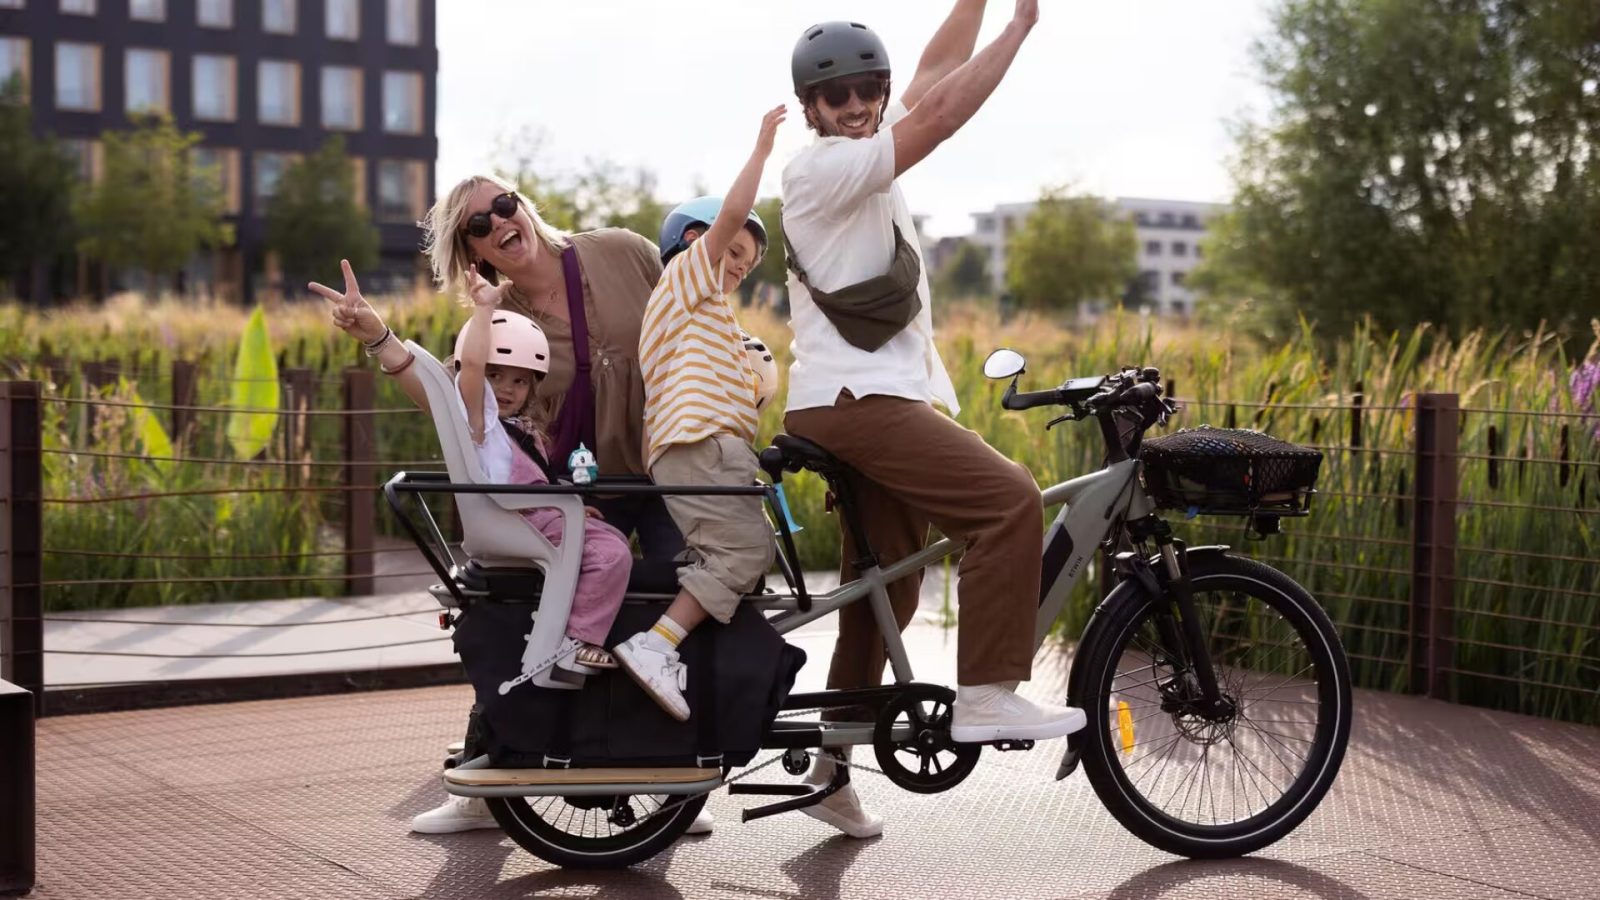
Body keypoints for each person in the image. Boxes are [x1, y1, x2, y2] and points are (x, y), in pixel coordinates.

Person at [779, 0, 1083, 839]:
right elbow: (943, 113)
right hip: (860, 402)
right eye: (835, 97)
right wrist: (1021, 28)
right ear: (810, 108)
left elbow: (929, 82)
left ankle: (830, 771)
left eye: (866, 91)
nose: (857, 106)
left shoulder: (865, 155)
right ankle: (985, 694)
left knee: (887, 595)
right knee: (1008, 501)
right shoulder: (820, 172)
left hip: (869, 401)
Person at [311, 261, 716, 837]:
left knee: (610, 545)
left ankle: (656, 767)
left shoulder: (512, 430)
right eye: (500, 376)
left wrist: (569, 503)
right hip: (519, 523)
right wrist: (482, 308)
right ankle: (576, 645)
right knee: (614, 557)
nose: (507, 389)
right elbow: (464, 368)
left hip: (538, 514)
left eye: (521, 380)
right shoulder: (477, 417)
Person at [422, 174, 686, 585]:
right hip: (580, 492)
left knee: (690, 583)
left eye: (504, 205)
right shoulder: (498, 321)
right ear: (472, 252)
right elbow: (453, 395)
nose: (497, 222)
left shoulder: (623, 250)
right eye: (478, 226)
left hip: (671, 470)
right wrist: (378, 340)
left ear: (523, 207)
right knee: (585, 601)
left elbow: (697, 313)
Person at [612, 106, 787, 721]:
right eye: (734, 251)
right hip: (699, 443)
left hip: (709, 444)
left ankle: (682, 650)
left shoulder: (705, 315)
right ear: (694, 239)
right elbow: (731, 216)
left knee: (739, 554)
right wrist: (762, 151)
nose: (738, 268)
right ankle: (656, 645)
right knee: (743, 556)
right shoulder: (688, 277)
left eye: (745, 264)